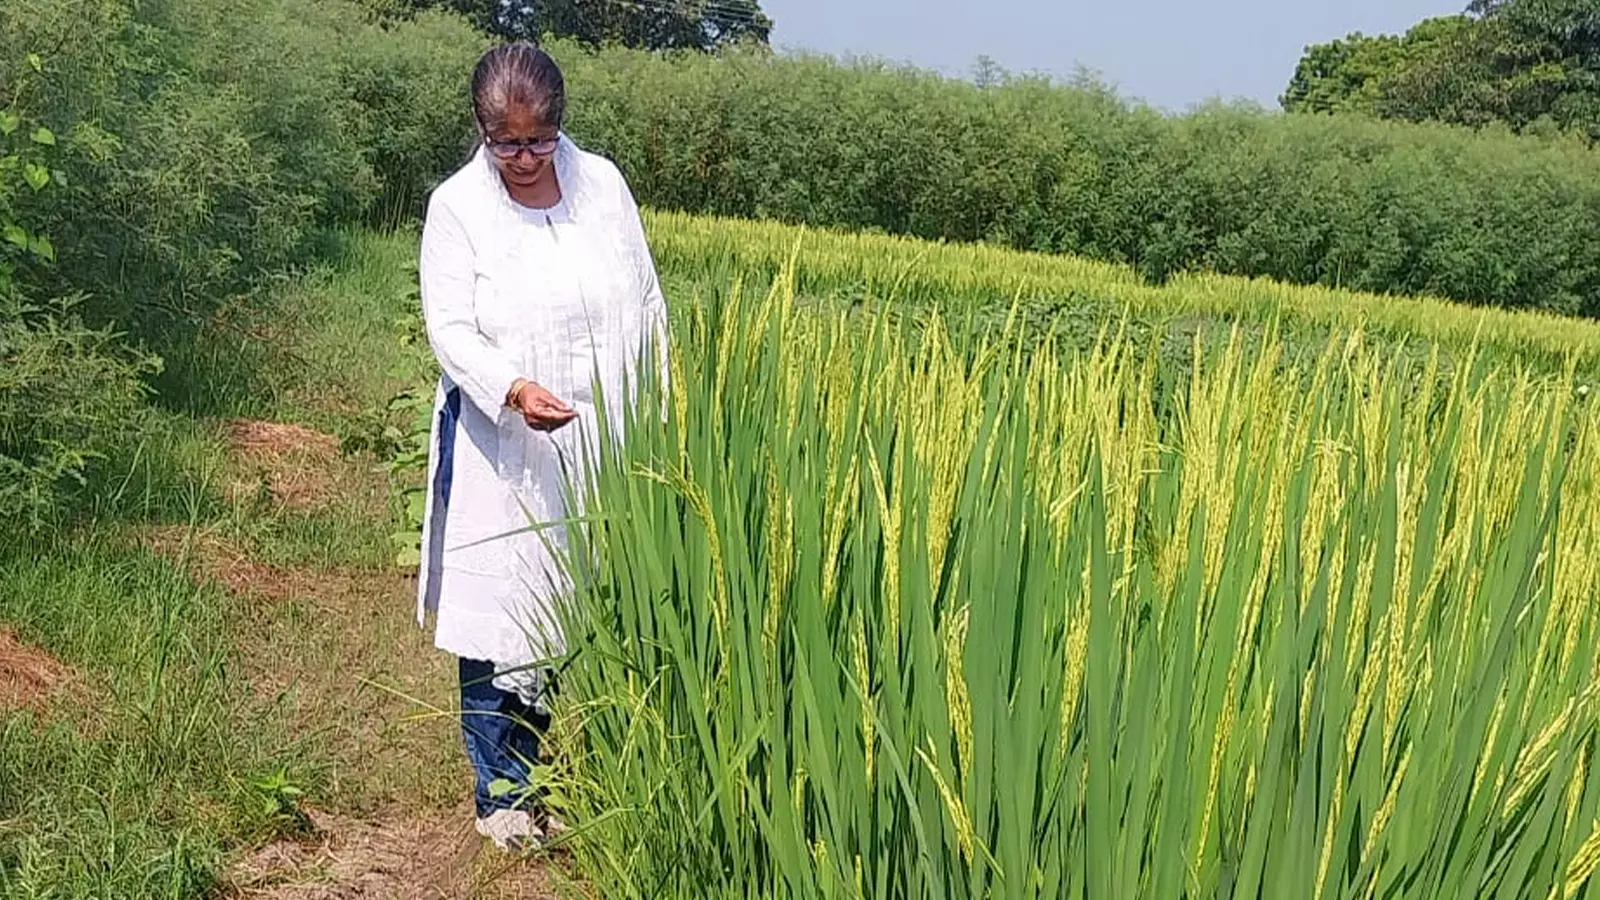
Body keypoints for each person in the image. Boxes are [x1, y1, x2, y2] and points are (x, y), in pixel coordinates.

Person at [413, 41, 669, 851]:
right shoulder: (457, 207)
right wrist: (515, 389)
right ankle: (504, 794)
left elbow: (647, 299)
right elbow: (450, 329)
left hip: (607, 439)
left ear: (561, 123)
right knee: (503, 616)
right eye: (505, 141)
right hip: (508, 443)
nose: (522, 158)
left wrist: (666, 404)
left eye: (538, 139)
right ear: (481, 130)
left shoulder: (605, 187)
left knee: (582, 603)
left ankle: (576, 768)